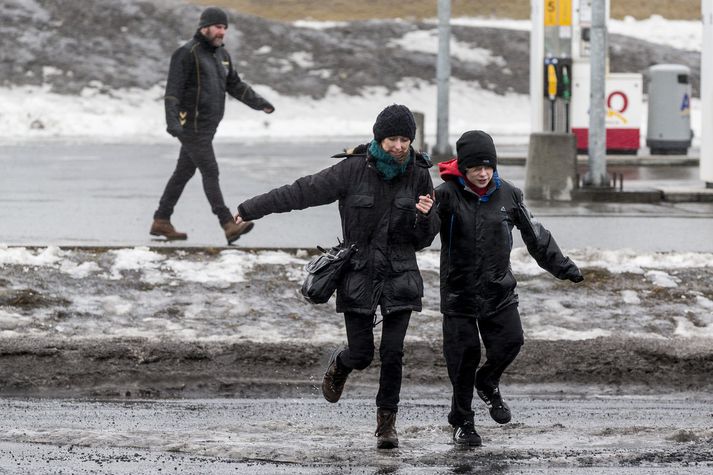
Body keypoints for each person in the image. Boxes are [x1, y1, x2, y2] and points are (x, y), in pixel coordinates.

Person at [235, 105, 440, 449]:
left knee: (393, 352)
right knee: (362, 354)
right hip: (358, 273)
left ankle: (386, 425)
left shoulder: (419, 173)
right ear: (379, 138)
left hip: (400, 272)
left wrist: (425, 217)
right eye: (393, 139)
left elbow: (424, 238)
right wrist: (250, 208)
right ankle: (340, 364)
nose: (400, 146)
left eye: (405, 139)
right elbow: (302, 191)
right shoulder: (353, 170)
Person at [434, 130, 584, 447]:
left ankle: (488, 381)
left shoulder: (509, 195)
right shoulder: (445, 195)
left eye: (488, 166)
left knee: (511, 342)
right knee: (464, 358)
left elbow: (536, 236)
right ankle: (462, 422)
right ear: (463, 167)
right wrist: (417, 217)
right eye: (476, 167)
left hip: (498, 291)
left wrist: (563, 266)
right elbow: (420, 234)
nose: (483, 173)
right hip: (459, 294)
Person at [150, 7, 274, 244]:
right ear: (204, 27)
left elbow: (235, 85)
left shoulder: (221, 56)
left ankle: (161, 220)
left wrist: (260, 103)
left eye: (224, 28)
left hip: (208, 126)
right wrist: (172, 122)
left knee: (183, 172)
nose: (221, 32)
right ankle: (228, 223)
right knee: (211, 171)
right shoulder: (186, 53)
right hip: (191, 127)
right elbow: (172, 92)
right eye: (218, 27)